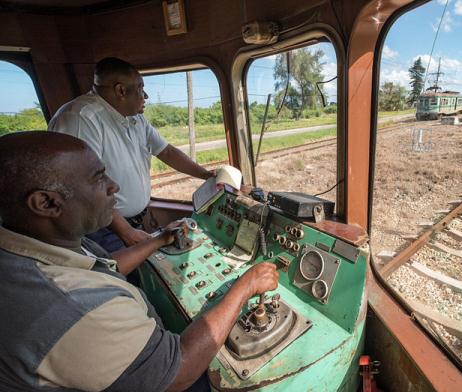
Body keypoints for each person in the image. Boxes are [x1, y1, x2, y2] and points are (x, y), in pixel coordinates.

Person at [0, 131, 279, 391]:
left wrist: (156, 240)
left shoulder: (33, 243)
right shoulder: (72, 309)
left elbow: (104, 266)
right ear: (46, 203)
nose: (114, 186)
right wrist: (244, 287)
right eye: (98, 178)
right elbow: (179, 370)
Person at [48, 57, 215, 253]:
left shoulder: (136, 118)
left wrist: (207, 175)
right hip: (102, 227)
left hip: (131, 222)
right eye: (140, 88)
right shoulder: (81, 118)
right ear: (121, 91)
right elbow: (80, 184)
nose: (145, 95)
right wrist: (125, 231)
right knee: (123, 279)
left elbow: (167, 152)